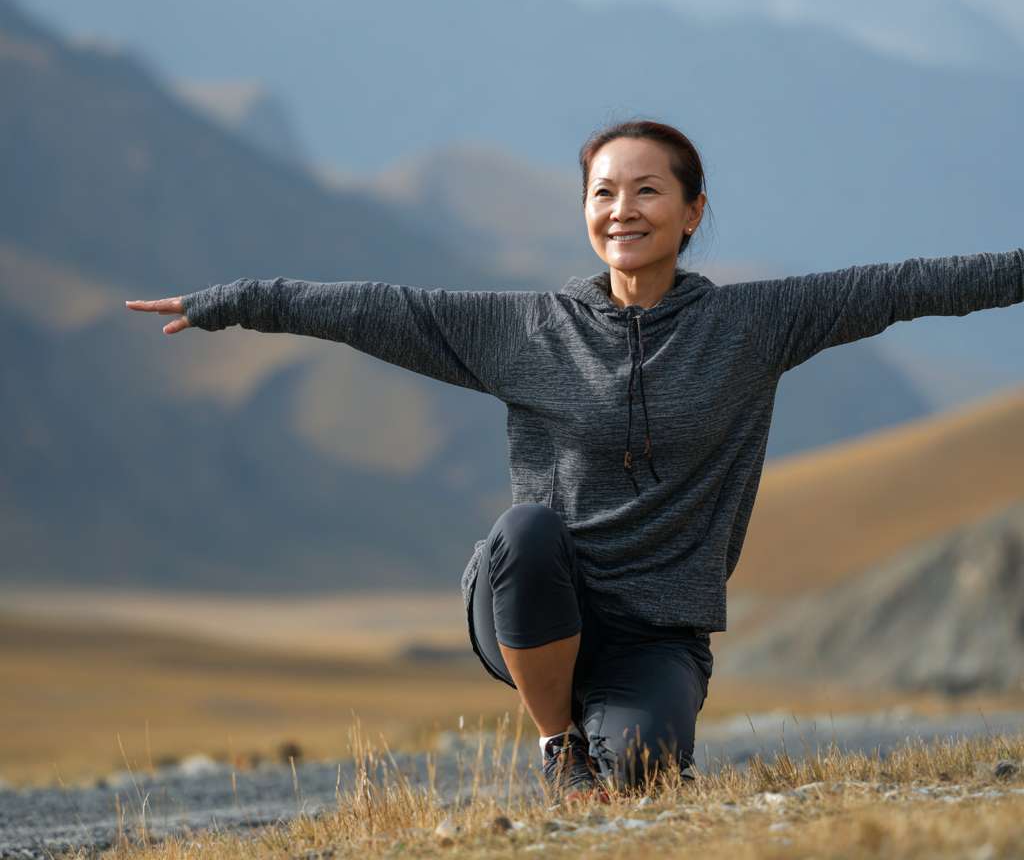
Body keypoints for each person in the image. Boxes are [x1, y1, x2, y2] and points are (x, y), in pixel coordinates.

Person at [128, 119, 1024, 801]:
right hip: (532, 601)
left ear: (692, 211)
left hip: (656, 630)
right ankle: (560, 745)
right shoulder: (527, 331)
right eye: (603, 192)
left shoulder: (757, 325)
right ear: (586, 210)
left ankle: (610, 748)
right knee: (526, 531)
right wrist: (235, 301)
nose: (623, 210)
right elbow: (377, 309)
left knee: (644, 778)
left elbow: (910, 286)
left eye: (646, 191)